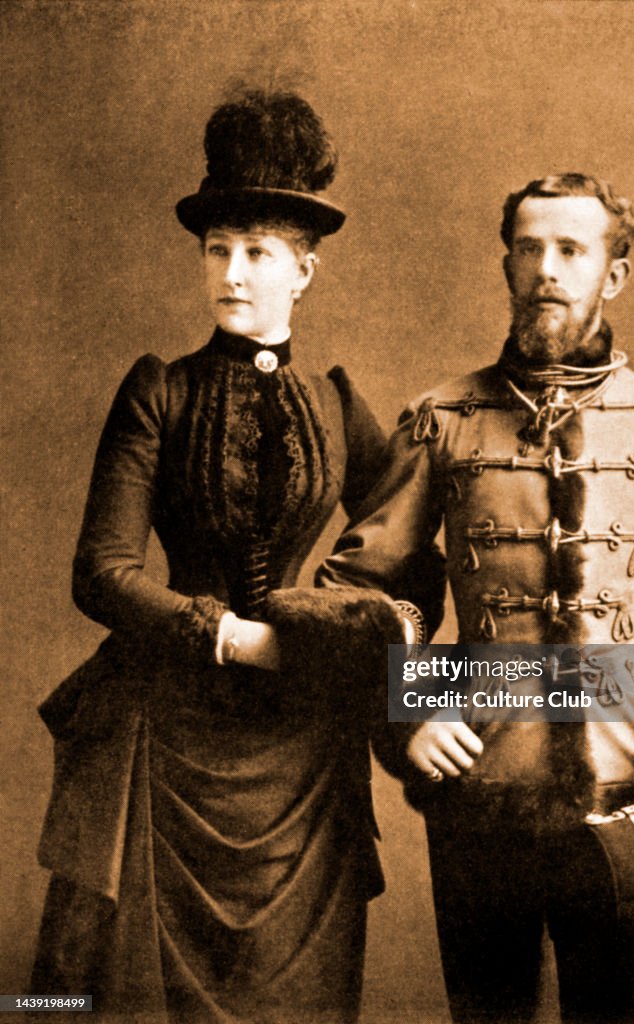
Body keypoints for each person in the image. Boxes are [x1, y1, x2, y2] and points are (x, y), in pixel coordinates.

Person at [319, 174, 634, 1023]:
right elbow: (354, 593)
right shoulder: (440, 419)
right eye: (529, 249)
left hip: (631, 791)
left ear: (615, 274)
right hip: (477, 795)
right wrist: (407, 712)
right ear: (507, 265)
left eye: (571, 249)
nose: (547, 270)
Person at [31, 89, 415, 1024]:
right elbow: (103, 573)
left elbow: (408, 539)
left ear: (304, 271)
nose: (232, 275)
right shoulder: (157, 393)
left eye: (258, 253)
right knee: (98, 992)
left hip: (305, 757)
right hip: (164, 731)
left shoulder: (334, 403)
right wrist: (236, 639)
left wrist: (359, 621)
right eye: (217, 251)